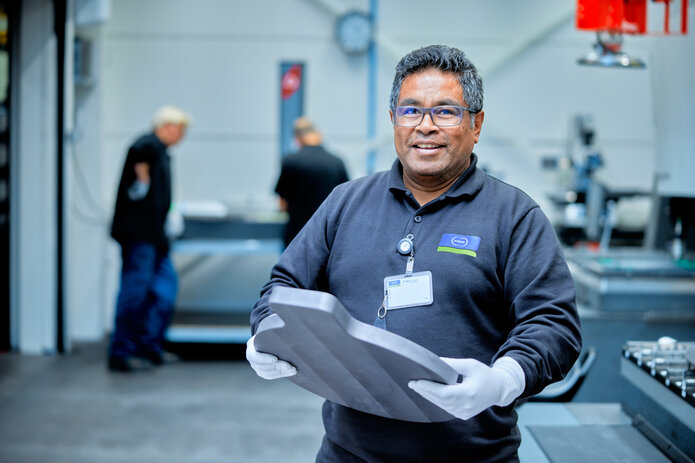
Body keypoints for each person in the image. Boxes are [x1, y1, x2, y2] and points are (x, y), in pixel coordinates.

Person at [247, 45, 581, 462]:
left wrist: (503, 379)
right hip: (349, 452)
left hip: (473, 456)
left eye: (445, 111)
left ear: (476, 124)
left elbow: (554, 324)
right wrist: (265, 332)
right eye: (411, 111)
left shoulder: (513, 215)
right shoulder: (345, 203)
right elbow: (282, 286)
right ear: (393, 121)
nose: (425, 126)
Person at [108, 105, 190, 372]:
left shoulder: (162, 152)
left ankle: (149, 347)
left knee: (164, 292)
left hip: (156, 238)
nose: (182, 136)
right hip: (139, 237)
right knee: (135, 292)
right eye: (181, 129)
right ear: (167, 126)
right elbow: (139, 169)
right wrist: (141, 175)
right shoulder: (147, 146)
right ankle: (122, 352)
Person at [275, 117, 349, 247]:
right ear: (318, 135)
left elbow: (282, 204)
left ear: (297, 139)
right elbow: (346, 202)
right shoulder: (337, 162)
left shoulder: (290, 161)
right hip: (328, 237)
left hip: (297, 235)